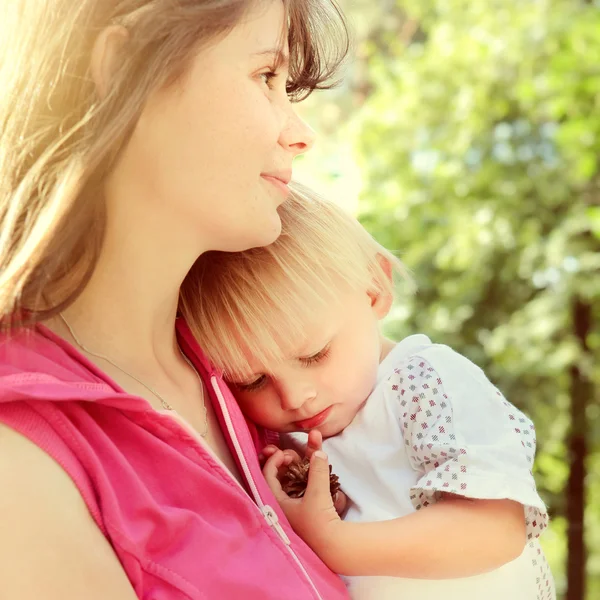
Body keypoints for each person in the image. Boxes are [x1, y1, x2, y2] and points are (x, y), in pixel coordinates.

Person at [0, 1, 353, 599]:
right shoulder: (22, 459)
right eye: (265, 76)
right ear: (123, 67)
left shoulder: (255, 373)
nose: (300, 133)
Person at [183, 186, 557, 600]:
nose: (294, 397)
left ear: (374, 290)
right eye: (252, 382)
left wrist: (334, 542)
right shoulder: (299, 434)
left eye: (313, 355)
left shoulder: (426, 382)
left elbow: (494, 530)